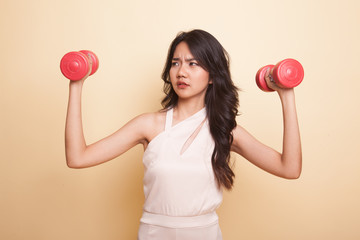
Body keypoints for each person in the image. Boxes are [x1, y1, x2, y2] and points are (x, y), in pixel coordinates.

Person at [65, 29, 302, 240]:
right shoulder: (148, 125)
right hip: (154, 233)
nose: (181, 72)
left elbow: (289, 168)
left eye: (193, 63)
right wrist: (76, 84)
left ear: (212, 76)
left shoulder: (225, 131)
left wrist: (286, 94)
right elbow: (78, 157)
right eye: (175, 63)